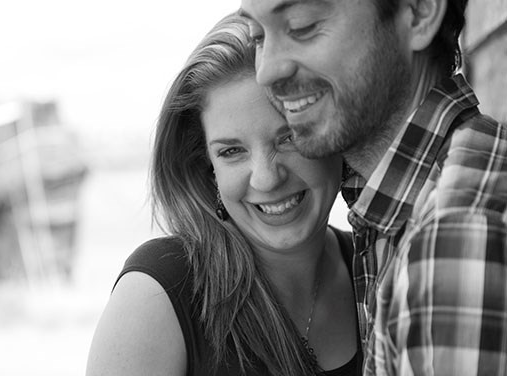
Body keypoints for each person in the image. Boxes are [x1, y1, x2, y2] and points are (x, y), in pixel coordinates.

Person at [239, 0, 507, 375]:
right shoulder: (401, 203)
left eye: (302, 26)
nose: (267, 71)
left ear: (419, 12)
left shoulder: (455, 235)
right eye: (258, 36)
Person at [85, 13, 361, 376]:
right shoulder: (160, 293)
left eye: (288, 137)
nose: (265, 179)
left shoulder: (374, 264)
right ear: (207, 167)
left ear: (335, 135)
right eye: (232, 151)